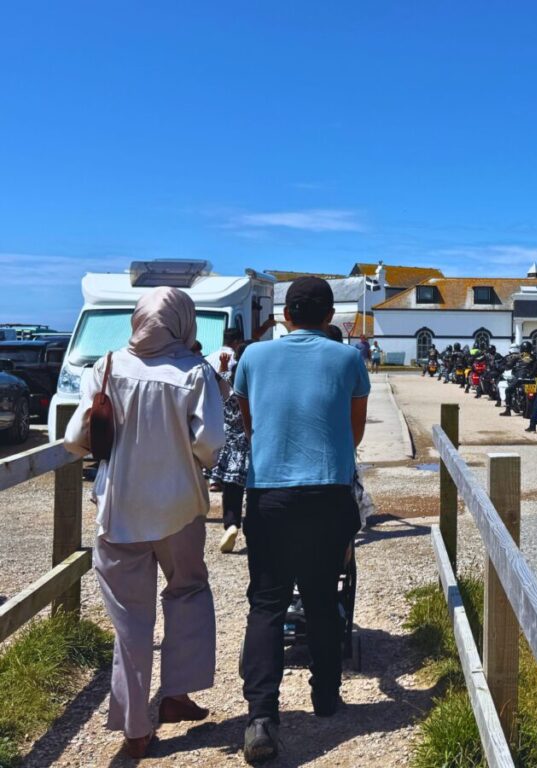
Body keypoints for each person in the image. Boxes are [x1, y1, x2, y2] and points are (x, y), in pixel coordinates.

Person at [64, 287, 224, 760]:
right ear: (183, 322)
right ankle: (176, 693)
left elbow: (77, 437)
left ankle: (135, 728)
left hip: (118, 508)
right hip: (179, 507)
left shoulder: (107, 366)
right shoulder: (194, 372)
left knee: (130, 620)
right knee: (188, 592)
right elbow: (210, 445)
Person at [233, 276, 369, 764]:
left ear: (285, 314)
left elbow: (250, 424)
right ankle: (326, 695)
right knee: (320, 593)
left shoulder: (252, 357)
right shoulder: (349, 359)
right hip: (328, 492)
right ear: (329, 315)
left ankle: (261, 717)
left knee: (267, 602)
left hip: (269, 492)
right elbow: (353, 433)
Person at [212, 340, 254, 554]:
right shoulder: (259, 381)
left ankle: (231, 524)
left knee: (231, 488)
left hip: (231, 443)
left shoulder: (228, 378)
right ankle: (255, 528)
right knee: (256, 491)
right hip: (254, 443)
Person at [499, 341, 535, 416]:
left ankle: (507, 410)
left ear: (521, 348)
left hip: (520, 379)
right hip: (531, 379)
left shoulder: (518, 356)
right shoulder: (533, 357)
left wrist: (507, 366)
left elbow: (509, 365)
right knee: (535, 394)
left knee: (508, 390)